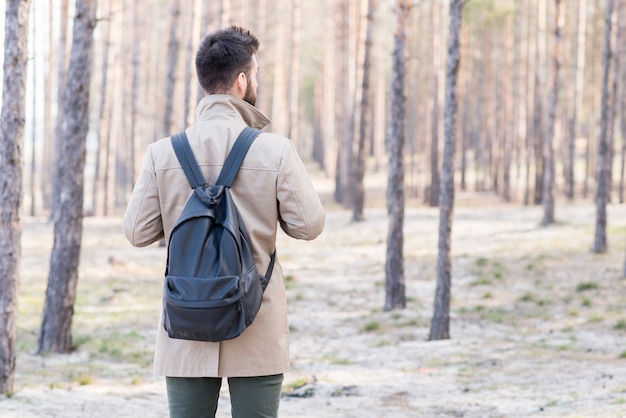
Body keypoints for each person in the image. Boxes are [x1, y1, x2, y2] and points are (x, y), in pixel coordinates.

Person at [123, 26, 325, 418]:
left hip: (186, 322)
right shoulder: (276, 150)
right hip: (256, 319)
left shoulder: (162, 154)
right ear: (242, 80)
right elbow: (309, 225)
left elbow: (136, 232)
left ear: (204, 81)